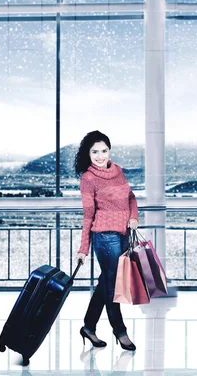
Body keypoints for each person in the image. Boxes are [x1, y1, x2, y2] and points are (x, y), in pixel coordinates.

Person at [74, 130, 138, 351]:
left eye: (104, 151)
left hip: (123, 235)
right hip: (104, 237)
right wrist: (83, 248)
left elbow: (130, 197)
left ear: (109, 150)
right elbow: (87, 216)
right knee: (112, 287)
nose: (100, 156)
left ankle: (88, 327)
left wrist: (133, 216)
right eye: (95, 152)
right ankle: (120, 331)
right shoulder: (88, 179)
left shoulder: (117, 171)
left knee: (106, 283)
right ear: (87, 154)